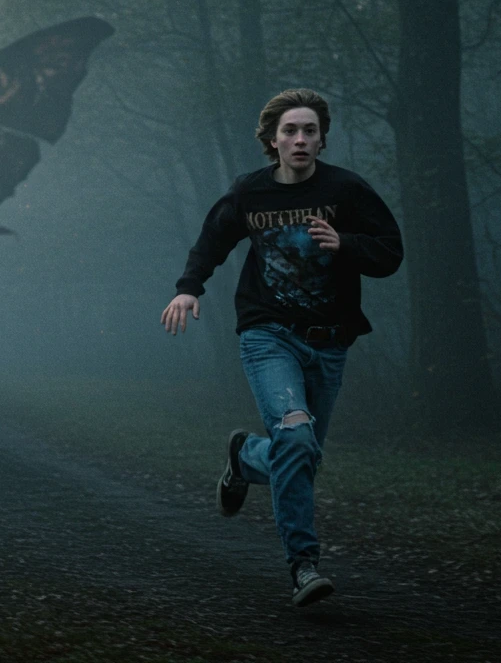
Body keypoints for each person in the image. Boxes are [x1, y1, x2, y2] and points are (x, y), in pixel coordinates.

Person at [161, 88, 403, 607]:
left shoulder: (347, 190)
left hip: (331, 342)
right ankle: (303, 566)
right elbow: (212, 242)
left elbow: (390, 252)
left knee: (302, 457)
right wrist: (188, 288)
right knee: (296, 442)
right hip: (267, 333)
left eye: (309, 131)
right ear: (272, 140)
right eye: (290, 131)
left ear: (322, 139)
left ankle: (246, 458)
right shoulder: (250, 194)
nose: (300, 139)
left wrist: (347, 244)